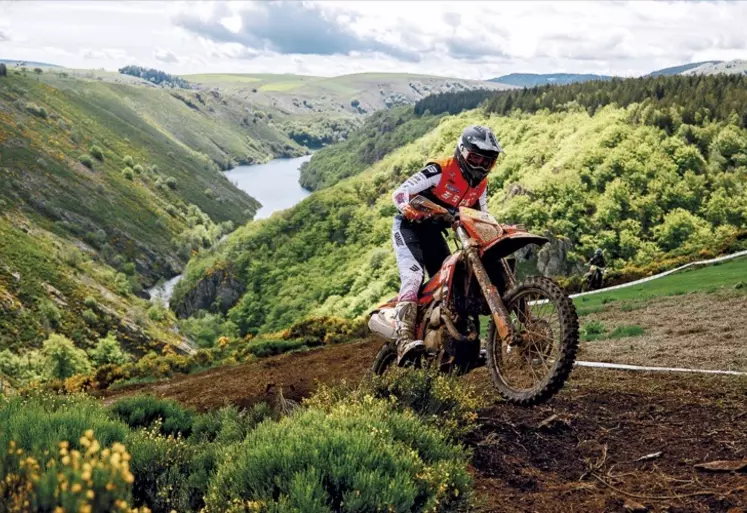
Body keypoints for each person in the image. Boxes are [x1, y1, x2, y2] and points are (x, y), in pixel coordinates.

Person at [390, 125, 503, 364]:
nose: (480, 166)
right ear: (461, 153)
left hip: (434, 234)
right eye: (475, 158)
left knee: (454, 284)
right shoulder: (440, 169)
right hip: (409, 226)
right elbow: (401, 192)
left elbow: (482, 215)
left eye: (487, 162)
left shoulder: (480, 185)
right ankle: (402, 341)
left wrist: (492, 233)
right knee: (412, 276)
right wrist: (407, 207)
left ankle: (457, 345)